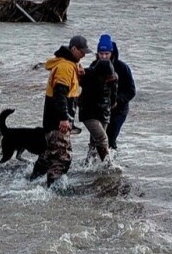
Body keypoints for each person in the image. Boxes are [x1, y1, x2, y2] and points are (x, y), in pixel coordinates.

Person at [30, 35, 90, 185]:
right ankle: (52, 188)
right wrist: (64, 117)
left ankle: (32, 180)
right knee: (63, 158)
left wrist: (79, 74)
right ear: (74, 49)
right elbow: (60, 94)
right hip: (57, 121)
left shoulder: (69, 64)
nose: (84, 55)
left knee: (49, 153)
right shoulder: (65, 67)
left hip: (52, 120)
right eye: (82, 52)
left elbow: (70, 91)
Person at [77, 34, 118, 162]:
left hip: (104, 112)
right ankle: (108, 167)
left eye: (107, 53)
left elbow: (114, 94)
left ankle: (88, 166)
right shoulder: (88, 74)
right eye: (101, 53)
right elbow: (73, 83)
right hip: (89, 113)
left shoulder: (114, 76)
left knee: (95, 143)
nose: (107, 80)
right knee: (102, 139)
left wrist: (113, 103)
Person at [106, 40, 135, 150]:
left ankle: (110, 164)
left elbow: (131, 91)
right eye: (102, 53)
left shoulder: (123, 68)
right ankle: (90, 163)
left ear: (113, 53)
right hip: (101, 109)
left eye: (107, 53)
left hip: (119, 110)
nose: (104, 56)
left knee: (111, 138)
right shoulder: (95, 65)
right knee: (97, 138)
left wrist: (117, 100)